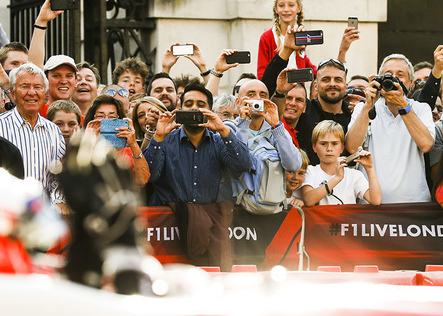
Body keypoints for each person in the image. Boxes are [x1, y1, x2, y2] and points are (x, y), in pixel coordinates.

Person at [143, 83, 251, 269]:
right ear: (180, 108)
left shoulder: (219, 140)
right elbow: (149, 177)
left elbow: (243, 166)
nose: (194, 108)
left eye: (201, 104)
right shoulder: (165, 139)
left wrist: (223, 130)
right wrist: (158, 137)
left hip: (210, 233)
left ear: (210, 110)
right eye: (189, 103)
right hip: (168, 230)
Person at [346, 54, 435, 203]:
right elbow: (352, 147)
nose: (394, 79)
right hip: (371, 203)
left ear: (411, 83)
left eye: (400, 75)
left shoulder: (421, 109)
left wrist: (402, 105)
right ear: (378, 80)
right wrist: (368, 106)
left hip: (414, 204)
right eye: (388, 75)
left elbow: (426, 144)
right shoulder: (364, 107)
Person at [0, 63, 66, 205]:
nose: (32, 92)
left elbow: (57, 177)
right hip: (7, 209)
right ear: (13, 92)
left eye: (38, 87)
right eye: (25, 86)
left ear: (45, 94)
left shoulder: (54, 131)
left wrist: (59, 201)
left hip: (44, 213)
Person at [232, 79, 302, 213]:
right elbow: (238, 164)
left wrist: (276, 125)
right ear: (238, 102)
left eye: (263, 95)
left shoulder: (275, 130)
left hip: (272, 208)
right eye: (251, 94)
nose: (258, 99)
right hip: (238, 211)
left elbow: (293, 165)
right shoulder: (228, 128)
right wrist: (243, 124)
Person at [267, 55, 352, 165]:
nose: (332, 83)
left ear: (346, 86)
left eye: (338, 79)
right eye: (326, 79)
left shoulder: (353, 114)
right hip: (304, 179)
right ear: (315, 86)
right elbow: (275, 119)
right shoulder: (304, 108)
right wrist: (280, 93)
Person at [302, 120, 381, 206]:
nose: (329, 148)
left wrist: (370, 168)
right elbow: (309, 200)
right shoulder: (310, 171)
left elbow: (376, 200)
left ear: (341, 148)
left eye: (334, 143)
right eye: (324, 143)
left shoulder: (354, 175)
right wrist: (337, 178)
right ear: (314, 147)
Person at [83, 94, 149, 187]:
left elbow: (142, 180)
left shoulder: (127, 150)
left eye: (112, 118)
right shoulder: (81, 146)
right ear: (92, 119)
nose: (106, 121)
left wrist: (133, 144)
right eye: (100, 116)